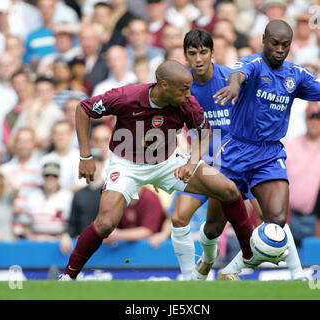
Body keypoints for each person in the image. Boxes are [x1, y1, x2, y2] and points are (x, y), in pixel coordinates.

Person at [59, 60, 257, 280]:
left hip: (168, 161)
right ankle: (68, 276)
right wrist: (85, 155)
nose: (188, 93)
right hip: (127, 164)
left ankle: (249, 254)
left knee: (228, 189)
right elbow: (83, 109)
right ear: (164, 85)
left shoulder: (187, 104)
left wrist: (191, 164)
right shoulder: (126, 97)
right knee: (105, 223)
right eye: (183, 88)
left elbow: (204, 133)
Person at [211, 20, 320, 277]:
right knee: (214, 227)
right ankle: (203, 264)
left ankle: (232, 269)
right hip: (236, 150)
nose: (280, 49)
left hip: (269, 155)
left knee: (278, 220)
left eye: (285, 45)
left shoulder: (297, 75)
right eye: (275, 43)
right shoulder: (253, 64)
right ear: (264, 40)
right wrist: (235, 86)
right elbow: (238, 75)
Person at [169, 28, 303, 281]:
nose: (198, 59)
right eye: (192, 53)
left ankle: (297, 273)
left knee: (268, 217)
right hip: (203, 162)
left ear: (212, 53)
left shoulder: (231, 78)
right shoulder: (182, 87)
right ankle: (200, 268)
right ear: (186, 56)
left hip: (238, 159)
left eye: (203, 52)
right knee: (180, 217)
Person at [284, 103, 320, 247]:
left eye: (318, 118)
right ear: (305, 120)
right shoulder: (290, 145)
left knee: (319, 262)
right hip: (293, 216)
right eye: (311, 118)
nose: (314, 122)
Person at [20, 162, 73, 241]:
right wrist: (30, 236)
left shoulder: (68, 196)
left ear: (59, 177)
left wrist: (65, 235)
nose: (50, 178)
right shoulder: (32, 196)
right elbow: (25, 224)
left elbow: (73, 224)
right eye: (47, 175)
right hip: (36, 241)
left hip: (59, 242)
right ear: (42, 176)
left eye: (54, 176)